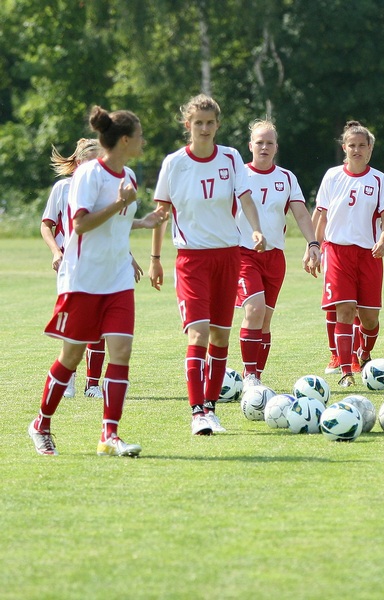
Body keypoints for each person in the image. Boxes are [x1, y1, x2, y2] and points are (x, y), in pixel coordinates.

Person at [29, 106, 162, 456]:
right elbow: (82, 224)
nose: (143, 140)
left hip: (116, 277)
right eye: (140, 135)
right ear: (124, 139)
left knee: (121, 350)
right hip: (83, 278)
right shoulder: (89, 175)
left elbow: (116, 223)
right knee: (71, 356)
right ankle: (41, 424)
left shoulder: (129, 175)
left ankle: (110, 434)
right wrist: (119, 203)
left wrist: (143, 221)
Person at [149, 94, 266, 435]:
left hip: (228, 255)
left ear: (217, 125)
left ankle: (211, 409)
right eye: (197, 122)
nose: (204, 128)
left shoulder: (230, 158)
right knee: (198, 332)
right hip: (191, 259)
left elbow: (245, 198)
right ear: (188, 125)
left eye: (209, 123)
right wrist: (155, 260)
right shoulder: (174, 163)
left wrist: (256, 229)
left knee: (219, 335)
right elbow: (162, 214)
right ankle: (197, 410)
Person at [236, 119, 321, 387]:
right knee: (255, 309)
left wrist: (313, 243)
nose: (264, 146)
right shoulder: (238, 174)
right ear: (250, 146)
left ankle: (256, 378)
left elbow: (301, 214)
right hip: (242, 253)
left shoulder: (286, 177)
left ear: (276, 147)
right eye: (259, 142)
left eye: (269, 142)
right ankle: (249, 375)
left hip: (274, 257)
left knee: (265, 320)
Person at [314, 120, 384, 387]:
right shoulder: (332, 176)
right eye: (352, 145)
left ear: (370, 149)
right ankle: (346, 370)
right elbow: (322, 217)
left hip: (369, 256)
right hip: (337, 252)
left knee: (369, 318)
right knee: (345, 310)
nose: (357, 150)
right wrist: (313, 248)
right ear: (344, 148)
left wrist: (382, 240)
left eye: (362, 145)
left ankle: (365, 352)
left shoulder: (379, 179)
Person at [41, 139, 103, 399]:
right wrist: (56, 252)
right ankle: (69, 380)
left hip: (100, 261)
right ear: (78, 163)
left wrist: (129, 256)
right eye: (90, 161)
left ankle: (93, 385)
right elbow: (47, 225)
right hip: (70, 263)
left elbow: (111, 230)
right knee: (75, 322)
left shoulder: (104, 190)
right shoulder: (63, 188)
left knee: (98, 324)